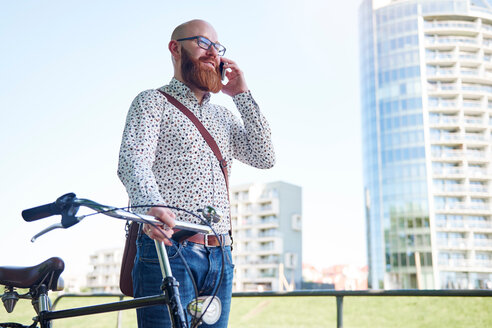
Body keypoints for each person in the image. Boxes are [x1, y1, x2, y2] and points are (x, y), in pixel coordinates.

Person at [117, 19, 275, 327]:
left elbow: (265, 156)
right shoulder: (152, 101)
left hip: (221, 256)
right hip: (167, 248)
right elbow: (132, 160)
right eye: (203, 43)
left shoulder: (224, 117)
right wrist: (152, 205)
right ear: (175, 48)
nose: (213, 52)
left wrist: (242, 94)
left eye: (217, 47)